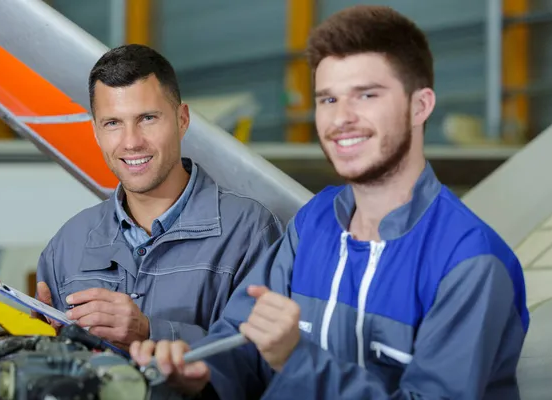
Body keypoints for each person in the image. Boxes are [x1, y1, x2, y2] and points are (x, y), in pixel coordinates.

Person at [129, 5, 530, 399]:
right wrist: (201, 372)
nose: (341, 119)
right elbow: (241, 338)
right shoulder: (314, 222)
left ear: (419, 106)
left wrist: (296, 359)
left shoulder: (469, 263)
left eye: (366, 95)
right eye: (328, 99)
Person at [34, 44, 283, 351]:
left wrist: (150, 332)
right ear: (96, 132)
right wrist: (46, 344)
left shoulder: (248, 232)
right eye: (113, 123)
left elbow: (262, 363)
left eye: (148, 118)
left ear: (182, 119)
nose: (131, 142)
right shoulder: (66, 246)